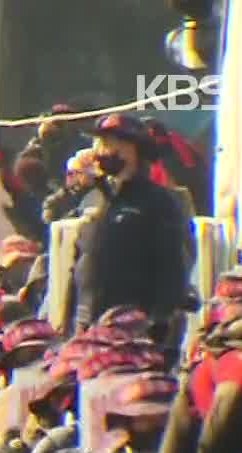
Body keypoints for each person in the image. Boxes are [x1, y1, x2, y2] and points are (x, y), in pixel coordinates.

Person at [65, 114, 190, 335]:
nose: (103, 152)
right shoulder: (93, 197)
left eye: (114, 145)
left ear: (135, 151)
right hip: (87, 322)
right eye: (101, 144)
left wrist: (160, 319)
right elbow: (78, 257)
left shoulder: (158, 200)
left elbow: (173, 264)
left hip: (133, 324)